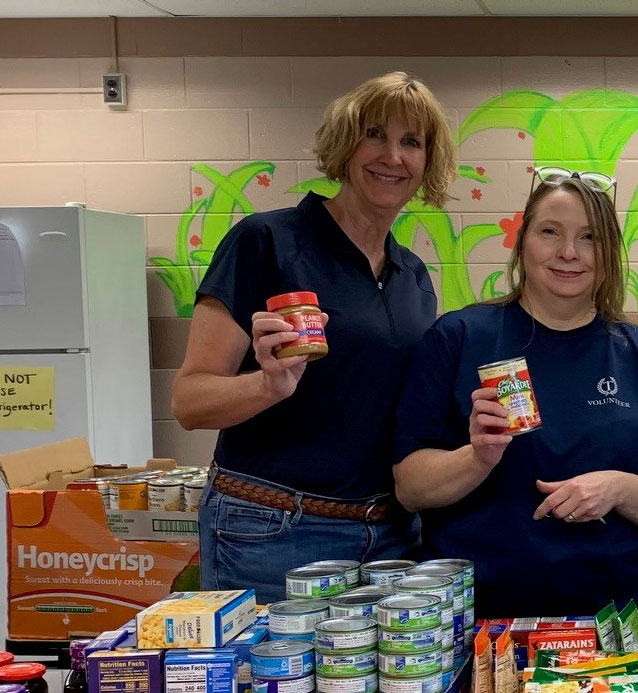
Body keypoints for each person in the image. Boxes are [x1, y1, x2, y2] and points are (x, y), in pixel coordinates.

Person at [172, 72, 456, 603]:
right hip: (275, 531)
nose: (391, 156)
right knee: (266, 688)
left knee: (386, 690)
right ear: (346, 144)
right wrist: (266, 385)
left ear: (426, 165)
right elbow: (189, 401)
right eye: (375, 134)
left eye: (411, 142)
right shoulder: (267, 242)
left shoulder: (412, 275)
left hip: (391, 536)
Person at [393, 169, 638, 641]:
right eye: (550, 231)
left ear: (608, 253)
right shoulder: (460, 339)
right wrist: (478, 457)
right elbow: (410, 487)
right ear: (522, 242)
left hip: (612, 623)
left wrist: (617, 487)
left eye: (588, 237)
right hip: (482, 625)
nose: (568, 253)